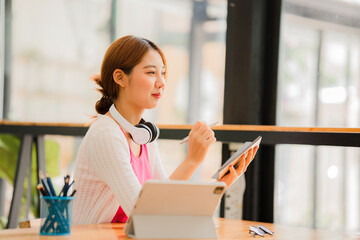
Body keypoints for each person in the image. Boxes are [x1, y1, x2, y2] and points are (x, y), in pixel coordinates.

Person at [73, 35, 258, 225]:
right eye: (151, 73)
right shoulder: (106, 134)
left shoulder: (144, 135)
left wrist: (222, 183)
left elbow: (165, 199)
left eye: (163, 73)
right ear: (120, 77)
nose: (161, 83)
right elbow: (144, 213)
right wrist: (192, 159)